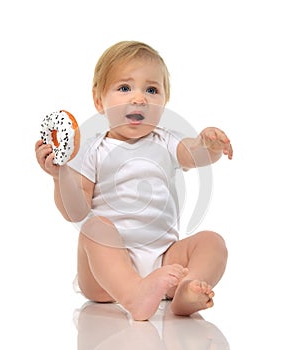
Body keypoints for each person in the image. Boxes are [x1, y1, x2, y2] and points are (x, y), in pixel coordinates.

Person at [35, 41, 233, 321]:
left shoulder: (166, 141)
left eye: (151, 90)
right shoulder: (92, 149)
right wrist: (60, 176)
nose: (139, 98)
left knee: (213, 243)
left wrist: (209, 145)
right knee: (95, 227)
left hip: (164, 259)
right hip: (104, 276)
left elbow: (194, 155)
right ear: (99, 101)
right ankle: (133, 293)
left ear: (164, 102)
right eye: (125, 88)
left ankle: (187, 290)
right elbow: (75, 211)